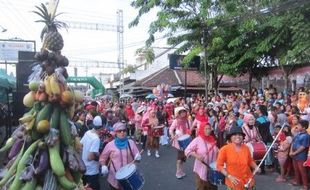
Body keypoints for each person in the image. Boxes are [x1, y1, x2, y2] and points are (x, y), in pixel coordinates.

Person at [100, 122, 141, 190]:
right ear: (115, 132)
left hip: (129, 179)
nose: (122, 132)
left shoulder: (131, 143)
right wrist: (103, 166)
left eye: (124, 130)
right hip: (114, 178)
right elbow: (102, 159)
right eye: (119, 131)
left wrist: (138, 158)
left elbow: (137, 159)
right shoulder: (110, 145)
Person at [217, 125, 260, 190]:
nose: (238, 136)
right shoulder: (224, 149)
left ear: (242, 137)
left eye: (240, 135)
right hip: (234, 182)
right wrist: (229, 176)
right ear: (230, 137)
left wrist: (256, 167)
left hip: (248, 181)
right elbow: (219, 166)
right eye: (234, 135)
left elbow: (250, 161)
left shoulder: (246, 148)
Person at [185, 122, 219, 190]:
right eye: (205, 129)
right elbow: (187, 150)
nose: (208, 131)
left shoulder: (212, 138)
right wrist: (197, 156)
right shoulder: (197, 140)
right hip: (201, 169)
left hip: (212, 169)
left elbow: (216, 150)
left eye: (209, 129)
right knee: (202, 187)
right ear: (201, 129)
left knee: (213, 188)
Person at [80, 116, 104, 190]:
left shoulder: (87, 132)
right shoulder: (96, 139)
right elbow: (90, 157)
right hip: (92, 171)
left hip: (83, 168)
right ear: (101, 127)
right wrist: (98, 156)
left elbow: (80, 146)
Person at [169, 106, 191, 179]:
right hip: (179, 142)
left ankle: (181, 171)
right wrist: (172, 135)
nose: (183, 113)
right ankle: (178, 172)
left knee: (182, 158)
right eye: (181, 112)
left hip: (186, 141)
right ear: (179, 113)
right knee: (179, 158)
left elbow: (189, 129)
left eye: (184, 112)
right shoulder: (176, 121)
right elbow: (171, 129)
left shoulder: (187, 120)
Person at [289, 119, 309, 190]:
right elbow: (293, 142)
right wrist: (291, 151)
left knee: (302, 171)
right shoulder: (297, 133)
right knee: (296, 169)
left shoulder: (306, 136)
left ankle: (305, 186)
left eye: (299, 125)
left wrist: (293, 153)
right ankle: (297, 181)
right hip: (294, 155)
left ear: (303, 127)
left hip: (301, 156)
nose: (297, 126)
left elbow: (303, 147)